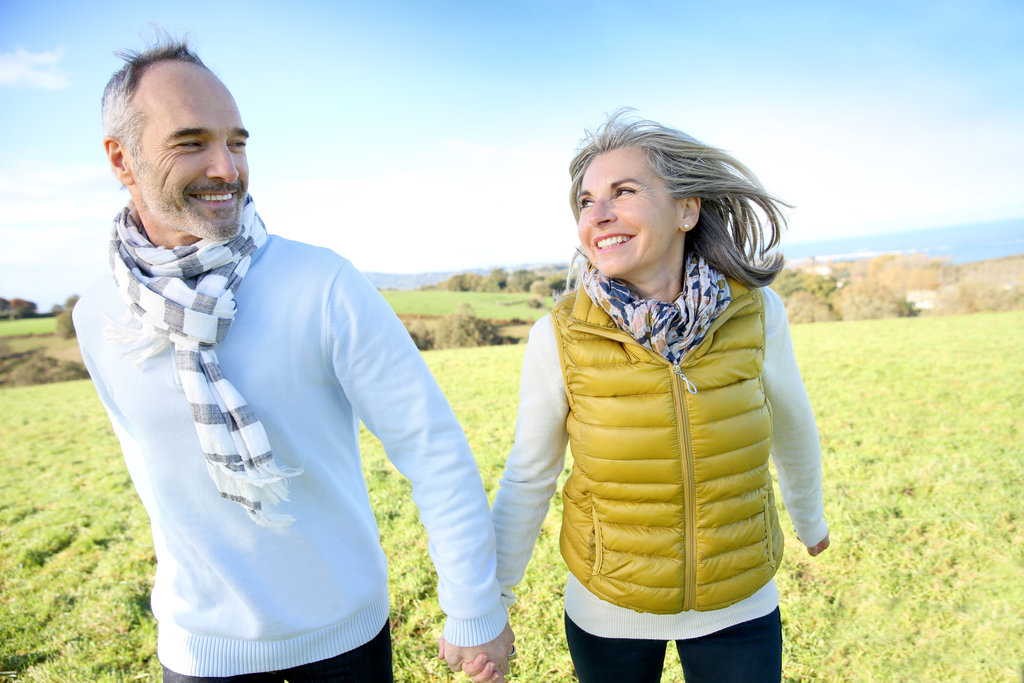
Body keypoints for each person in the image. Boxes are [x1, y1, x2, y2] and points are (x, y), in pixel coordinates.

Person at [73, 39, 514, 682]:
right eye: (191, 142)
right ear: (122, 157)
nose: (226, 167)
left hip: (342, 644)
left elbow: (432, 448)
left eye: (238, 142)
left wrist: (474, 608)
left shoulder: (322, 283)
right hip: (199, 653)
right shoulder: (99, 314)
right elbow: (150, 475)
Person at [475, 111, 830, 683]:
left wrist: (808, 516)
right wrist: (491, 600)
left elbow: (792, 423)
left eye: (624, 191)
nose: (600, 214)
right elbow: (528, 475)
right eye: (587, 202)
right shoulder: (559, 337)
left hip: (739, 603)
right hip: (608, 609)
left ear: (686, 209)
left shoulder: (756, 312)